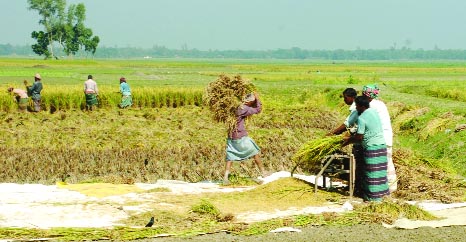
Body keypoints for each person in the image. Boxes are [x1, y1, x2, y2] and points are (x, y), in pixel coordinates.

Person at [342, 95, 390, 202]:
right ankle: (383, 196)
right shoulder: (374, 112)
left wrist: (347, 141)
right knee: (381, 173)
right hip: (381, 146)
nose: (356, 109)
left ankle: (373, 198)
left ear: (361, 106)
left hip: (371, 148)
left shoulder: (362, 118)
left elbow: (359, 136)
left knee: (372, 173)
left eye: (357, 106)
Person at [223, 92, 267, 185]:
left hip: (231, 136)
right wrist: (258, 99)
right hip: (240, 136)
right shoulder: (244, 108)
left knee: (230, 156)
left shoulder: (234, 107)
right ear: (249, 102)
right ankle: (263, 173)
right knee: (254, 151)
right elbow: (258, 110)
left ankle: (225, 177)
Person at [362, 84, 397, 193]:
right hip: (385, 138)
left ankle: (388, 189)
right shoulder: (379, 104)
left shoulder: (371, 106)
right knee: (386, 164)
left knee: (382, 165)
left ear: (366, 95)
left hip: (380, 139)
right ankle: (388, 189)